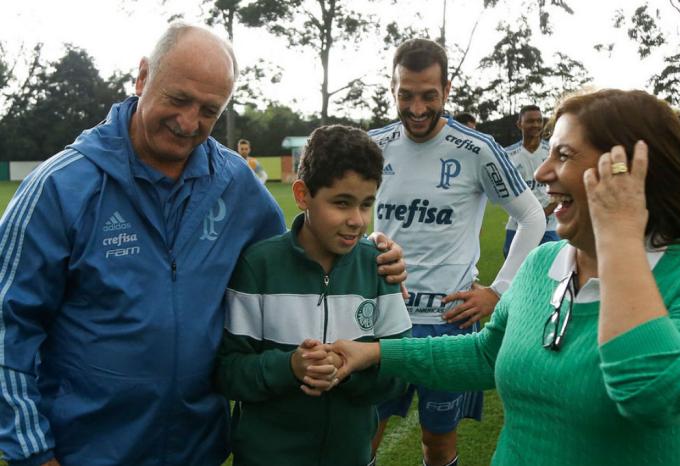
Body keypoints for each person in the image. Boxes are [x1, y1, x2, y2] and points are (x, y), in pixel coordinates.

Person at [0, 24, 406, 466]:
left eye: (209, 110)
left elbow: (301, 248)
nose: (189, 122)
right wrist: (34, 454)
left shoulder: (236, 185)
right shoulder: (60, 187)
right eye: (178, 99)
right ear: (142, 78)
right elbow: (8, 330)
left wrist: (371, 257)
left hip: (199, 449)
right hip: (87, 452)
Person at [332, 89, 680, 466]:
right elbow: (486, 353)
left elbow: (653, 397)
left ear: (626, 171)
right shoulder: (544, 263)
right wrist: (375, 353)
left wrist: (620, 236)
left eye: (564, 155)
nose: (541, 173)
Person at [368, 39, 545, 466]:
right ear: (392, 90)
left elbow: (533, 217)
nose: (416, 107)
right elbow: (346, 214)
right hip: (381, 318)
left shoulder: (477, 148)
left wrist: (499, 291)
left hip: (448, 326)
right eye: (405, 94)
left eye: (428, 95)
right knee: (360, 437)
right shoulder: (371, 146)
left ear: (446, 90)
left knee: (438, 442)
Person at [214, 125, 412, 466]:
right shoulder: (257, 266)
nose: (356, 220)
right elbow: (229, 372)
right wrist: (290, 366)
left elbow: (403, 367)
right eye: (341, 203)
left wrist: (349, 369)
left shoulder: (379, 268)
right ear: (303, 195)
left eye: (366, 204)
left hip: (349, 455)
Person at [503, 105, 559, 257]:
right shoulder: (507, 155)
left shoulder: (553, 152)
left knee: (550, 272)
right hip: (518, 224)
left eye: (539, 121)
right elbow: (503, 192)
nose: (535, 125)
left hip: (549, 226)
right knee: (513, 274)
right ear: (519, 124)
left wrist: (543, 213)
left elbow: (562, 187)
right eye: (530, 121)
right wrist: (526, 215)